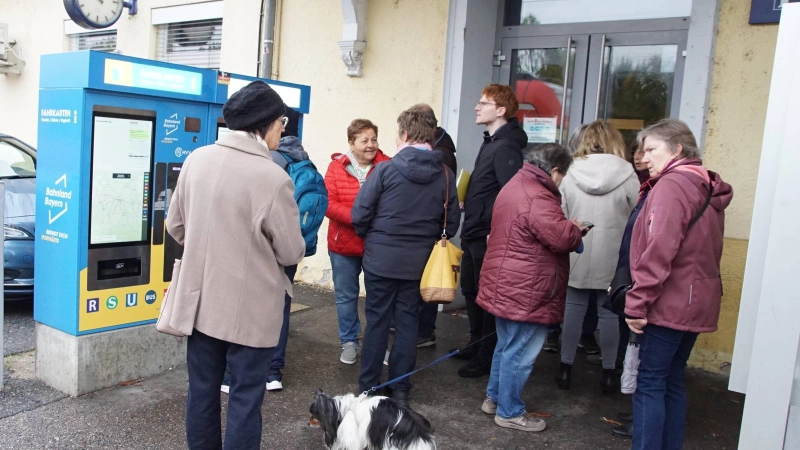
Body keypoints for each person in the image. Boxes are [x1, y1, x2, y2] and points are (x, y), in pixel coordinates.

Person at [167, 81, 306, 449]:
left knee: (202, 393)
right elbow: (291, 251)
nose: (283, 129)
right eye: (280, 122)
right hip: (252, 311)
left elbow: (175, 225)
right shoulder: (274, 178)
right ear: (264, 124)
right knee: (245, 401)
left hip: (200, 304)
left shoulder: (197, 160)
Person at [625, 119, 732, 449]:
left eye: (652, 149)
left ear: (677, 149)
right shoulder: (705, 185)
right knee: (671, 379)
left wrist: (637, 303)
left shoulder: (672, 186)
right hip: (696, 299)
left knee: (651, 383)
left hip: (668, 302)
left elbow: (659, 249)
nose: (645, 156)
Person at [352, 106, 460, 407]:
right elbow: (450, 226)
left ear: (404, 134)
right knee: (408, 324)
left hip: (380, 260)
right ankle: (400, 388)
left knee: (376, 323)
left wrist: (374, 238)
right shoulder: (446, 175)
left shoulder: (385, 170)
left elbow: (360, 214)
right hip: (420, 264)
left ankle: (369, 388)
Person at [476, 143, 585, 432]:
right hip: (528, 288)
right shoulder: (538, 195)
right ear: (555, 170)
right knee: (520, 352)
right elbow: (560, 239)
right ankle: (510, 411)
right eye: (563, 175)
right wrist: (575, 229)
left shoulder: (516, 183)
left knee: (507, 345)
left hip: (508, 282)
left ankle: (494, 398)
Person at [556, 120, 639, 394]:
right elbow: (636, 214)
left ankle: (565, 369)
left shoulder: (570, 172)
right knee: (609, 315)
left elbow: (561, 211)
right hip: (613, 254)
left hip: (577, 249)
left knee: (572, 311)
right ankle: (608, 373)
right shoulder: (627, 173)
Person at [456, 84, 527, 378]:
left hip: (488, 235)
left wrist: (496, 229)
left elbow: (511, 194)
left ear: (500, 111)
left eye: (483, 103)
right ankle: (476, 344)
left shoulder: (506, 146)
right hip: (474, 229)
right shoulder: (492, 140)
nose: (477, 106)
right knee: (471, 290)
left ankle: (486, 356)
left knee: (486, 298)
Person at [325, 119, 391, 365]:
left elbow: (393, 202)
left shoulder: (388, 165)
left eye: (374, 139)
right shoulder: (336, 167)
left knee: (379, 299)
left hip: (377, 244)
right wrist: (358, 218)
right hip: (343, 245)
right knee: (345, 296)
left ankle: (378, 346)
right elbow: (328, 204)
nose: (370, 145)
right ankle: (349, 341)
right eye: (364, 140)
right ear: (351, 143)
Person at [408, 103, 458, 348]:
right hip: (433, 232)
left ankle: (424, 331)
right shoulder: (444, 153)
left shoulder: (441, 156)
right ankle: (421, 330)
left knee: (427, 284)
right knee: (427, 282)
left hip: (428, 233)